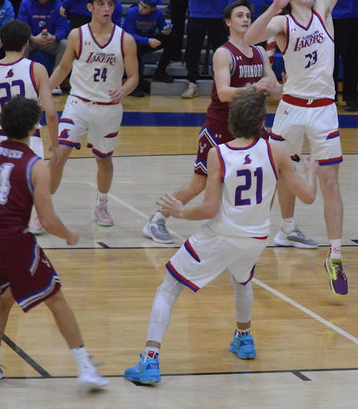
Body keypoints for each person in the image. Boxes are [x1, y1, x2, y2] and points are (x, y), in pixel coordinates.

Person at [124, 87, 317, 384]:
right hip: (257, 238)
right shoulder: (275, 152)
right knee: (242, 280)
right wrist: (312, 171)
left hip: (221, 235)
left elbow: (208, 209)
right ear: (260, 123)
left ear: (232, 121)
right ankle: (244, 337)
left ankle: (149, 360)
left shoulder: (219, 154)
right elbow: (307, 196)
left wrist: (179, 212)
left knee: (169, 287)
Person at [0, 95, 108, 390]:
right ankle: (85, 366)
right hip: (13, 241)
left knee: (4, 299)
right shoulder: (36, 166)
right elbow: (47, 220)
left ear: (2, 122)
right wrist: (70, 235)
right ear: (34, 127)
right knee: (56, 298)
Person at [244, 0, 351, 293]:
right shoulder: (282, 21)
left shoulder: (323, 11)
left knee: (330, 181)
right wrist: (272, 5)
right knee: (276, 173)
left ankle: (335, 256)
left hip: (323, 109)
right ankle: (268, 235)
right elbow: (249, 38)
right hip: (291, 106)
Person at [143, 0, 280, 245]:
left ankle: (254, 223)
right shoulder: (223, 53)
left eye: (248, 15)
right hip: (221, 125)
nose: (246, 19)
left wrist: (287, 84)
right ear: (228, 22)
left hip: (252, 126)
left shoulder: (260, 52)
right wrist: (255, 88)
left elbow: (275, 90)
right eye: (239, 15)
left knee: (270, 170)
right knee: (201, 182)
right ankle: (157, 219)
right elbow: (225, 92)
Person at [47, 0, 139, 226]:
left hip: (108, 108)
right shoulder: (77, 35)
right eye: (101, 4)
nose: (106, 8)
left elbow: (134, 77)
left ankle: (101, 204)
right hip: (78, 103)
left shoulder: (125, 40)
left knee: (103, 160)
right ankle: (42, 209)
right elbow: (64, 68)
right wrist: (44, 92)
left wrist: (123, 90)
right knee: (58, 155)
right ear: (90, 7)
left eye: (110, 4)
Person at [0, 19, 59, 231]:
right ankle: (36, 220)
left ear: (2, 43)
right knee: (34, 186)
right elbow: (51, 113)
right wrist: (55, 144)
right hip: (30, 137)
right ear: (27, 43)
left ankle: (3, 222)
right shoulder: (37, 69)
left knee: (4, 187)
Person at [17, 0, 67, 83]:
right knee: (20, 43)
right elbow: (22, 26)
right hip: (31, 40)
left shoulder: (58, 5)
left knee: (64, 44)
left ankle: (55, 82)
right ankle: (23, 79)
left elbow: (62, 27)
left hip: (49, 41)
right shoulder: (26, 3)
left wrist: (55, 37)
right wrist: (32, 38)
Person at [121, 0, 171, 97]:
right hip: (131, 43)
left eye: (145, 7)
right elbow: (129, 34)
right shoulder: (132, 12)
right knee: (136, 45)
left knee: (171, 39)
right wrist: (147, 41)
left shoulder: (157, 14)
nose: (141, 9)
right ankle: (135, 84)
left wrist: (166, 31)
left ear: (153, 9)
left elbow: (162, 26)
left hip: (147, 41)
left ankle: (160, 71)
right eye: (141, 5)